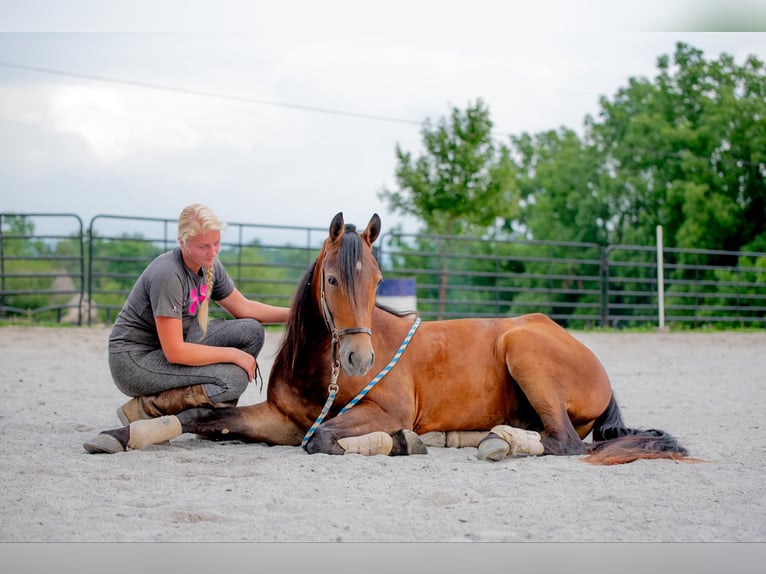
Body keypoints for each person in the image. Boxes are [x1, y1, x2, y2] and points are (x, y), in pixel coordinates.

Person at [100, 203, 290, 428]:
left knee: (251, 331)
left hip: (172, 346)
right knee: (233, 378)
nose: (212, 252)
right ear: (182, 241)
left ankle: (212, 413)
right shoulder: (168, 274)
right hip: (135, 361)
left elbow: (244, 308)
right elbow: (175, 351)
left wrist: (298, 314)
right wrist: (233, 355)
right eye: (203, 246)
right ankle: (146, 409)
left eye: (216, 243)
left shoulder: (209, 264)